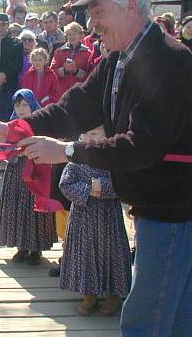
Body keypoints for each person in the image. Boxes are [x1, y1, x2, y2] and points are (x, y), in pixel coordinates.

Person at [0, 0, 192, 335]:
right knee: (174, 315)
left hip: (172, 208)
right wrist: (12, 129)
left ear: (130, 7)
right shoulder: (118, 57)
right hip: (155, 205)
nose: (92, 23)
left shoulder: (168, 61)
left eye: (98, 13)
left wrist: (68, 151)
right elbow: (74, 107)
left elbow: (142, 146)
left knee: (145, 318)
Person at [59, 125, 132, 316]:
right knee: (85, 255)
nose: (90, 139)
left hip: (109, 219)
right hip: (82, 218)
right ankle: (89, 293)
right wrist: (90, 188)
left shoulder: (112, 160)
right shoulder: (76, 160)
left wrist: (103, 187)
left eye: (95, 134)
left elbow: (123, 184)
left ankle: (113, 294)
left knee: (111, 254)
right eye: (86, 134)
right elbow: (65, 184)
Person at [0, 89, 56, 265]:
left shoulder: (41, 124)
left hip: (37, 173)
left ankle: (36, 249)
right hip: (15, 174)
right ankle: (21, 246)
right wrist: (14, 152)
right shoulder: (10, 126)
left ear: (32, 105)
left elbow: (48, 144)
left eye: (25, 104)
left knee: (34, 209)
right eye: (17, 104)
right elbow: (2, 148)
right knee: (17, 208)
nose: (21, 109)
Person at [50, 22, 92, 94]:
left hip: (79, 93)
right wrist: (64, 70)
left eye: (74, 34)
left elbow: (90, 76)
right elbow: (52, 72)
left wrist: (76, 71)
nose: (71, 37)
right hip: (60, 93)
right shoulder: (59, 52)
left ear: (80, 35)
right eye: (69, 34)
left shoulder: (88, 54)